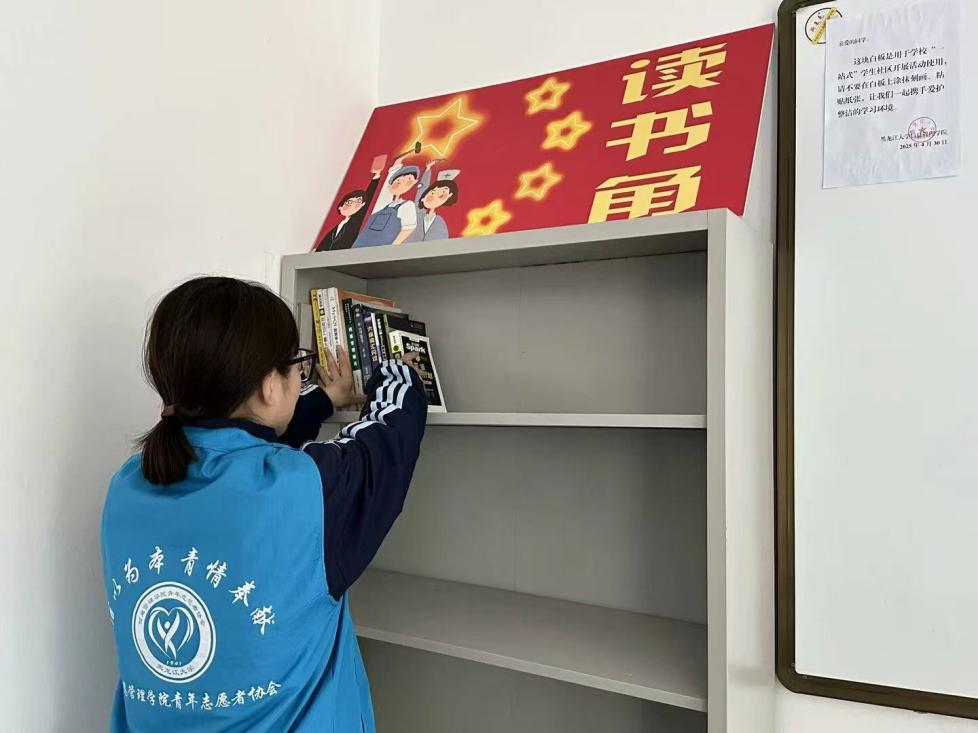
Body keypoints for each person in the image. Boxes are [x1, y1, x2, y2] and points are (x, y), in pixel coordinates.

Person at [100, 276, 427, 732]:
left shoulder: (128, 484)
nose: (300, 375)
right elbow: (390, 438)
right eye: (297, 365)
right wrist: (397, 372)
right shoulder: (309, 491)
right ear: (268, 386)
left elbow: (240, 448)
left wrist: (321, 401)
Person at [314, 155, 387, 252]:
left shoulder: (355, 222)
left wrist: (376, 176)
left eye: (358, 202)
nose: (353, 205)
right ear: (340, 207)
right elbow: (325, 243)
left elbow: (368, 196)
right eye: (349, 202)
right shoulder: (337, 227)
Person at [352, 156, 419, 247]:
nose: (400, 182)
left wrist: (392, 247)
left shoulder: (407, 205)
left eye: (408, 180)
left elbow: (408, 229)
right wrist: (396, 164)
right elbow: (385, 191)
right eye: (398, 180)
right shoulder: (382, 205)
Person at [404, 161, 460, 244]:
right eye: (432, 193)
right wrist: (428, 170)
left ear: (449, 196)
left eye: (442, 194)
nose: (434, 197)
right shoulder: (417, 215)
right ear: (423, 198)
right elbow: (421, 190)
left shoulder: (440, 223)